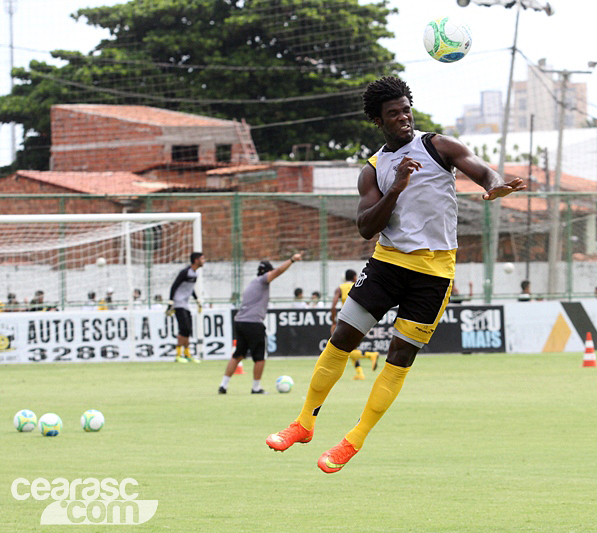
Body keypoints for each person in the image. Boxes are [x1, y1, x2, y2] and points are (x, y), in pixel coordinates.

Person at [265, 76, 525, 473]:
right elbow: (367, 226)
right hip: (387, 264)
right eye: (393, 113)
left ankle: (353, 441)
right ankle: (304, 423)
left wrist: (496, 185)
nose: (403, 117)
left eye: (406, 109)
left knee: (399, 357)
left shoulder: (439, 146)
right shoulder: (373, 170)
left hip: (434, 274)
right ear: (378, 120)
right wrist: (397, 187)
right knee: (341, 339)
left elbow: (483, 171)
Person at [219, 253, 303, 395]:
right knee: (260, 356)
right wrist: (292, 260)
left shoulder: (253, 282)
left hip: (240, 321)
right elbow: (277, 272)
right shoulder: (263, 280)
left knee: (238, 354)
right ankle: (256, 387)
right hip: (253, 323)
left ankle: (223, 385)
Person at [330, 269, 379, 380]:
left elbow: (333, 305)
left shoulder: (340, 288)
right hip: (361, 319)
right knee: (351, 347)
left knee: (343, 348)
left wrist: (333, 321)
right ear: (354, 277)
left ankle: (370, 355)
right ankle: (359, 373)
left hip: (347, 321)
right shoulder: (359, 285)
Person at [167, 252, 205, 363]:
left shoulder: (195, 274)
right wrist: (170, 302)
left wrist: (197, 299)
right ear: (196, 260)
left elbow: (190, 288)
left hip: (186, 304)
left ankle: (187, 354)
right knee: (183, 328)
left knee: (188, 330)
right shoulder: (185, 272)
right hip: (178, 303)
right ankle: (178, 355)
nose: (204, 261)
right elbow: (174, 285)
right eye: (202, 259)